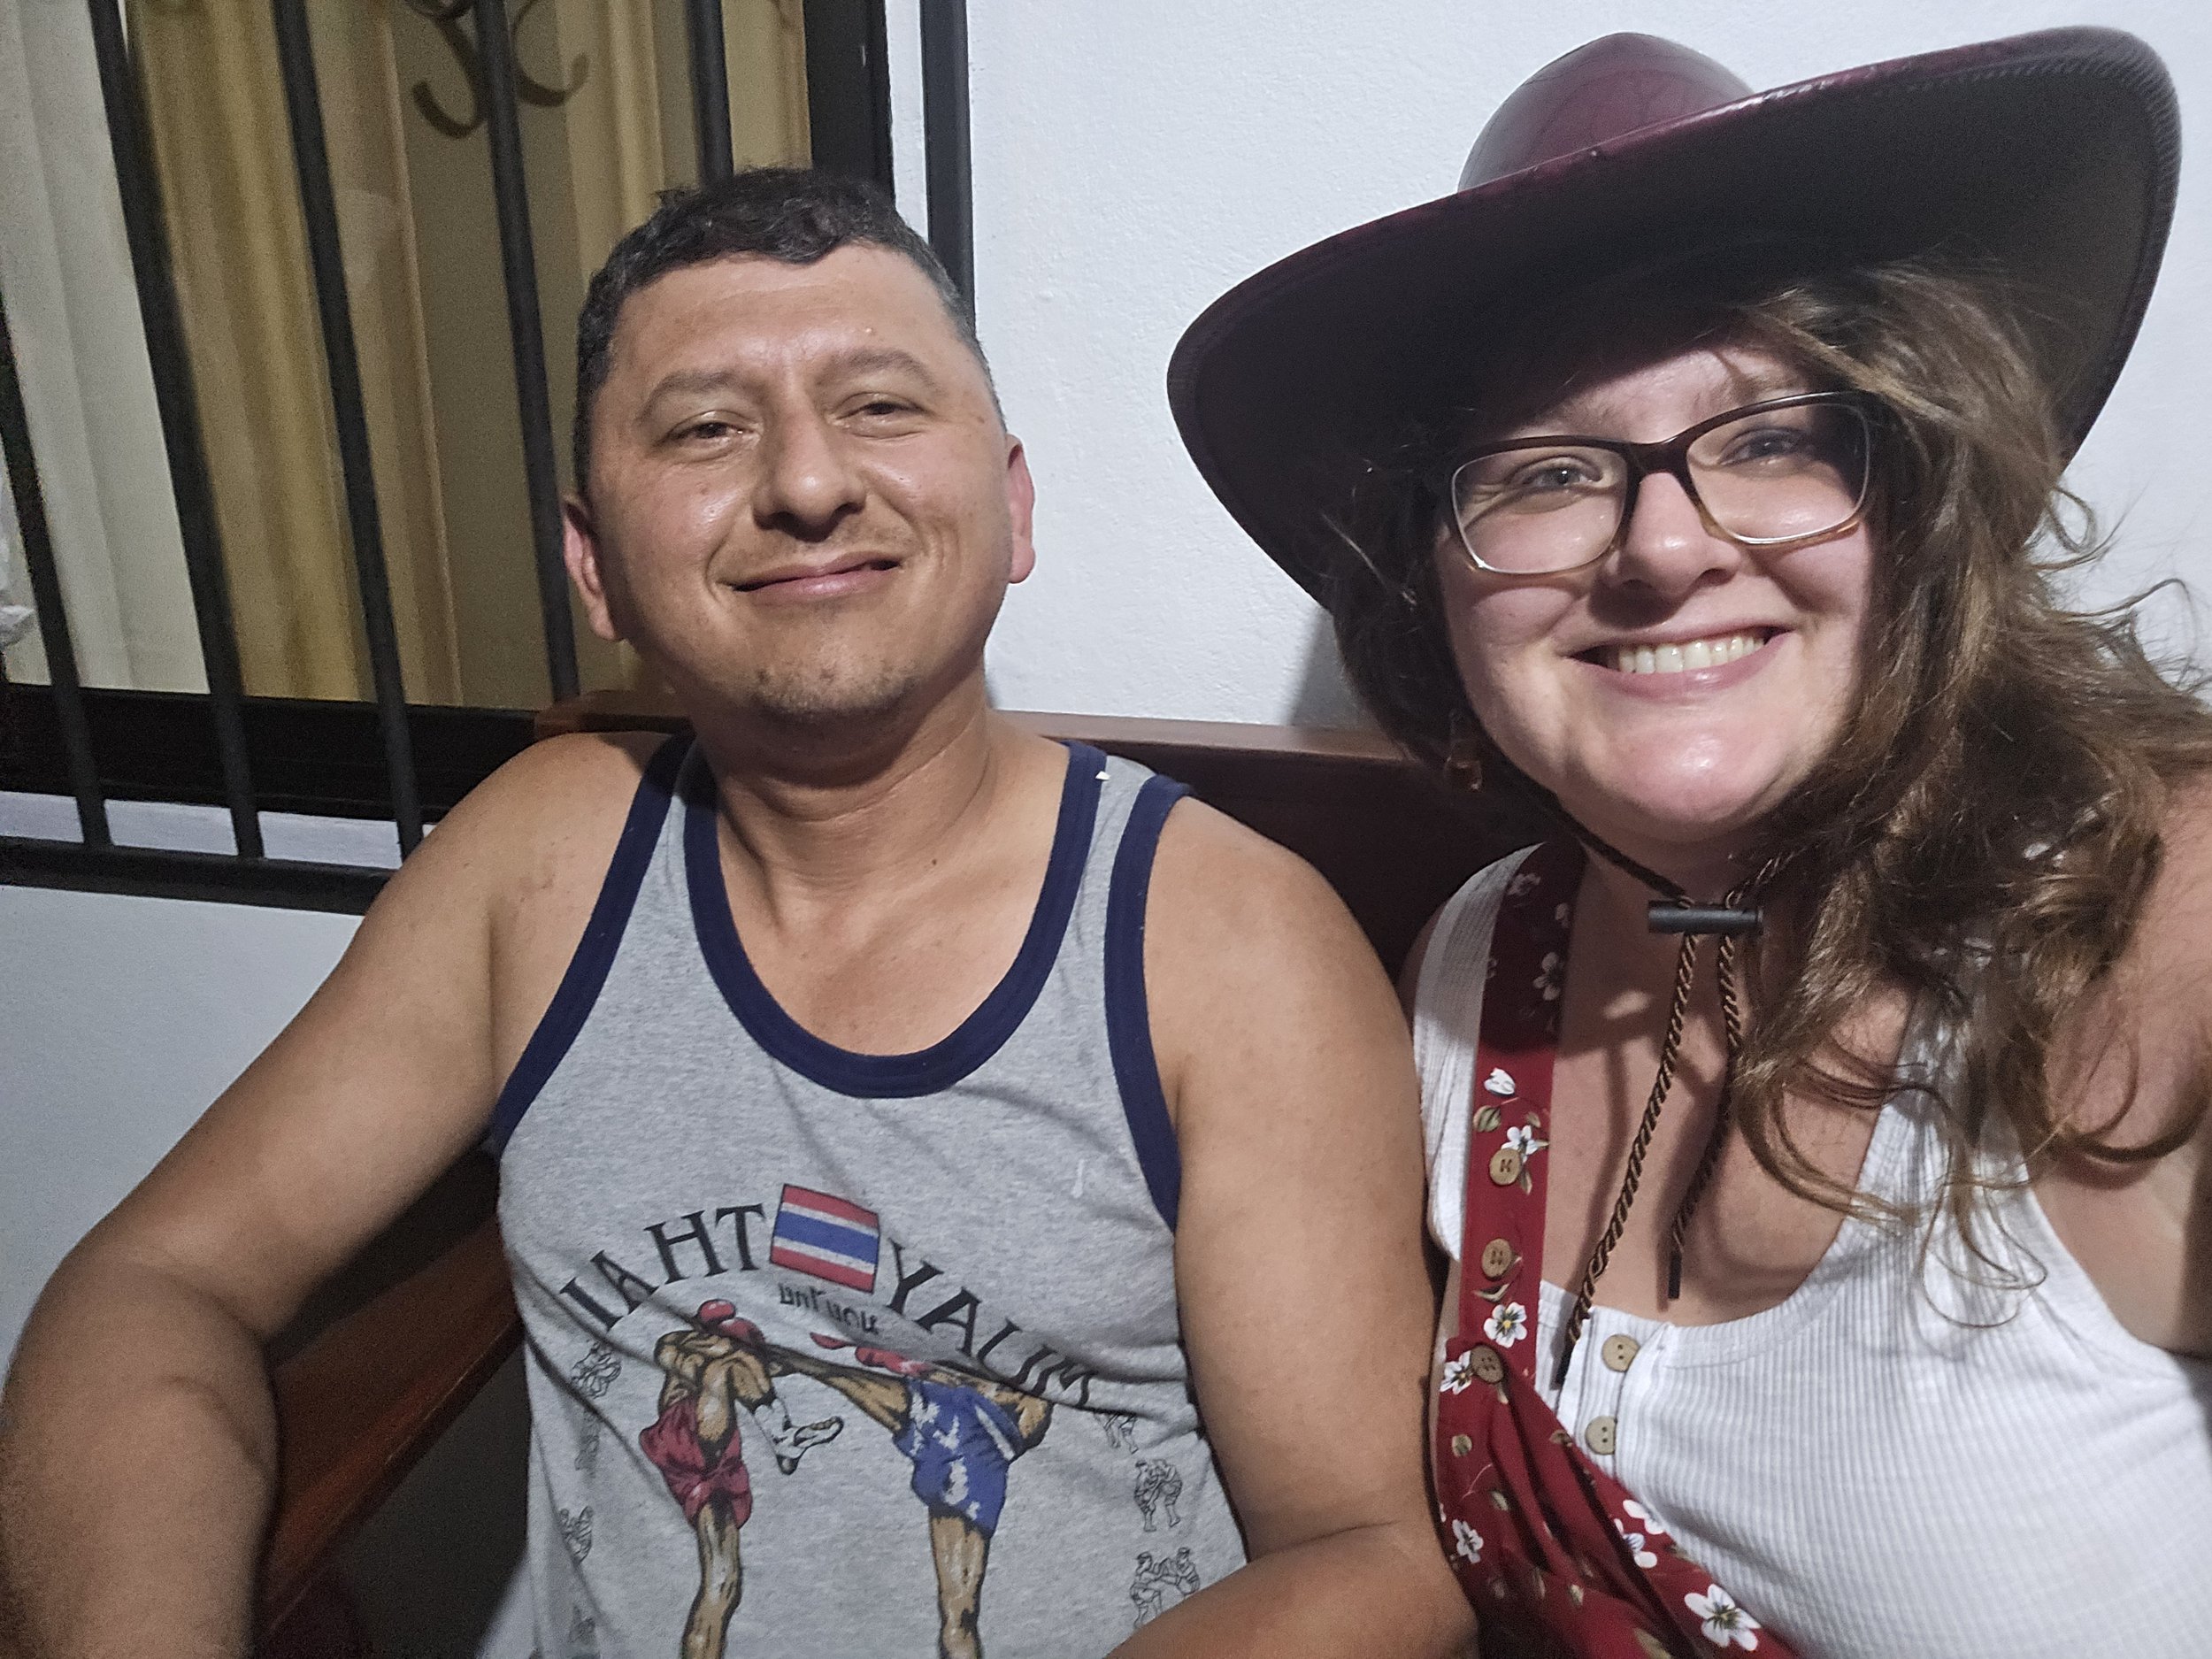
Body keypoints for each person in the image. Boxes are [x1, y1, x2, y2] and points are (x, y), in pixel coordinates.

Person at [0, 170, 1470, 1659]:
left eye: (882, 407)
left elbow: (1375, 1556)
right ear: (595, 567)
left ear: (1011, 507)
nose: (810, 482)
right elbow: (158, 1284)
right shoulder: (542, 865)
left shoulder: (1224, 946)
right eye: (707, 427)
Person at [1171, 27, 2211, 1659]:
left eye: (1771, 438)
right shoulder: (1474, 963)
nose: (1661, 547)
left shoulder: (2152, 917)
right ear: (1434, 587)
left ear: (1917, 489)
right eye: (1546, 472)